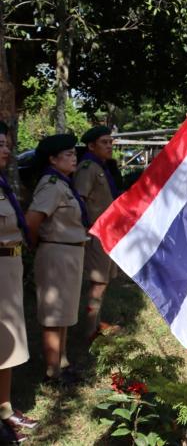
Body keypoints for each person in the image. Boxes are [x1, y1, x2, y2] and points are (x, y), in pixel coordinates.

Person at [25, 134, 88, 386]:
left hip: (70, 251)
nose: (74, 158)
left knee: (64, 312)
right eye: (68, 154)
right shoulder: (51, 184)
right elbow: (32, 221)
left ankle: (62, 362)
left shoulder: (64, 184)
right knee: (53, 315)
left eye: (75, 154)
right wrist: (37, 245)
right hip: (56, 252)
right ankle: (52, 373)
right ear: (52, 159)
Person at [0, 122, 39, 443]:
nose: (6, 149)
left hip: (9, 266)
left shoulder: (3, 185)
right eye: (0, 143)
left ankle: (4, 408)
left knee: (7, 340)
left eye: (7, 143)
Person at [74, 126, 121, 342]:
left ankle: (96, 323)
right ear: (91, 146)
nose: (109, 146)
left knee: (104, 280)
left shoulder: (101, 166)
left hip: (108, 231)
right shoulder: (87, 167)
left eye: (110, 142)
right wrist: (85, 229)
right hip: (96, 232)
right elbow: (79, 199)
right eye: (104, 142)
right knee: (98, 282)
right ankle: (89, 332)